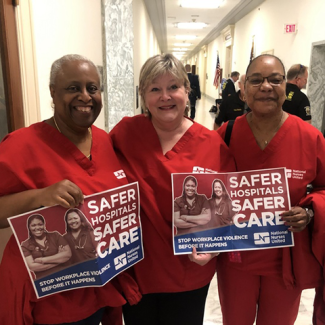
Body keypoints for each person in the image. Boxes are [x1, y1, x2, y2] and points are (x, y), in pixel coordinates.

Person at [0, 54, 140, 325]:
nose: (85, 96)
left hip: (96, 289)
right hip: (49, 299)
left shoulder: (105, 141)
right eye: (73, 88)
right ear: (53, 93)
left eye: (92, 88)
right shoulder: (21, 145)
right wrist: (39, 197)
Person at [109, 53, 236, 325]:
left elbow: (227, 208)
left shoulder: (211, 144)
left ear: (187, 92)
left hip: (188, 270)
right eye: (155, 89)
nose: (165, 96)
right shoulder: (124, 134)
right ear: (143, 95)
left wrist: (214, 249)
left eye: (173, 87)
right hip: (138, 267)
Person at [215, 54, 325, 325]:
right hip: (236, 259)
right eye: (256, 80)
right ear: (243, 90)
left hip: (286, 260)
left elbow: (324, 188)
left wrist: (309, 212)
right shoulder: (225, 135)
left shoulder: (310, 138)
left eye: (275, 80)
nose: (266, 87)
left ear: (286, 89)